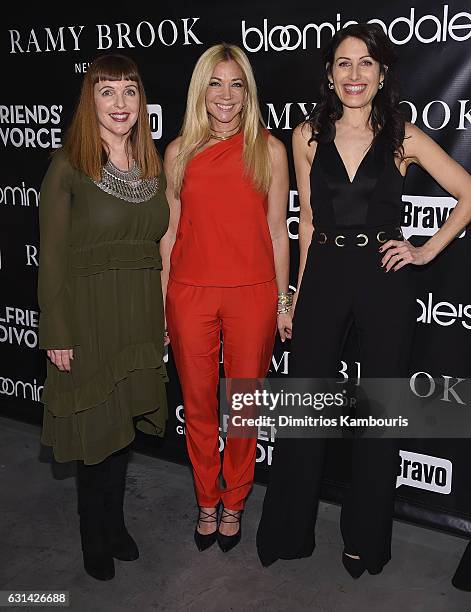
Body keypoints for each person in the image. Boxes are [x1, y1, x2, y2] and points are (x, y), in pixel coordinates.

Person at [256, 23, 471, 577]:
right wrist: (293, 299)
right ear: (329, 75)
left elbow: (467, 194)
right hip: (324, 271)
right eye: (343, 64)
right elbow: (305, 225)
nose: (354, 74)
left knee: (380, 412)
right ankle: (288, 530)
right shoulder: (306, 136)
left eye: (365, 64)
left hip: (383, 277)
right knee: (304, 410)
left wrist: (424, 252)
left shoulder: (403, 134)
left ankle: (364, 541)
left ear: (381, 75)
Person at [38, 54, 169, 581]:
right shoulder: (69, 163)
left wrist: (160, 318)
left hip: (137, 313)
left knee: (122, 431)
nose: (120, 103)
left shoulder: (151, 165)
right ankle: (94, 534)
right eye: (107, 92)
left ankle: (115, 526)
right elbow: (51, 255)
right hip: (88, 315)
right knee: (96, 432)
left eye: (129, 92)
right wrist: (56, 330)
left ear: (142, 101)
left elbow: (160, 245)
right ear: (90, 101)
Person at [161, 43, 291, 553]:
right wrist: (161, 305)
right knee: (197, 406)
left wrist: (284, 301)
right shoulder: (177, 152)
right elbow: (169, 235)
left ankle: (234, 502)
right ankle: (206, 500)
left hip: (253, 295)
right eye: (216, 83)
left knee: (243, 409)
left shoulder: (270, 150)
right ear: (200, 90)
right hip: (190, 293)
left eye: (237, 84)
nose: (226, 95)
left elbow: (279, 231)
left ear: (248, 92)